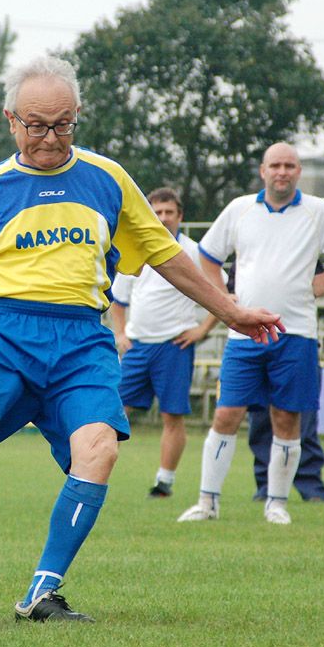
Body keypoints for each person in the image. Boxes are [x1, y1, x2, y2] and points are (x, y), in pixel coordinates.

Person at [0, 56, 283, 623]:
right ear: (11, 120)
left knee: (99, 450)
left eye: (62, 124)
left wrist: (231, 311)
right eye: (36, 125)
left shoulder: (108, 180)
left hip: (82, 341)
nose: (49, 138)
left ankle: (41, 593)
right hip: (3, 334)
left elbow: (166, 254)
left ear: (77, 117)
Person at [178, 142, 324, 526]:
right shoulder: (239, 209)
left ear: (298, 171)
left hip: (296, 331)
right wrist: (224, 298)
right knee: (226, 414)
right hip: (245, 334)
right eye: (275, 165)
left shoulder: (317, 211)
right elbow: (208, 254)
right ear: (262, 171)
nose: (282, 172)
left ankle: (277, 503)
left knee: (286, 419)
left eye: (289, 165)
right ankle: (207, 502)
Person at [109, 187, 216, 499]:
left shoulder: (194, 252)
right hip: (138, 346)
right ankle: (93, 474)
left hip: (174, 346)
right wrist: (120, 332)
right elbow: (119, 299)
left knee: (172, 416)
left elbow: (220, 295)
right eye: (157, 212)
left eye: (169, 212)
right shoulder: (137, 248)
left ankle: (164, 482)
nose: (163, 218)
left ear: (180, 216)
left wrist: (202, 330)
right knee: (113, 410)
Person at [226, 260, 324, 502]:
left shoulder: (300, 242)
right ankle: (265, 486)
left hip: (296, 343)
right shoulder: (245, 257)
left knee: (301, 420)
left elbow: (319, 282)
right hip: (256, 345)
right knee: (260, 424)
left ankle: (310, 486)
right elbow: (230, 292)